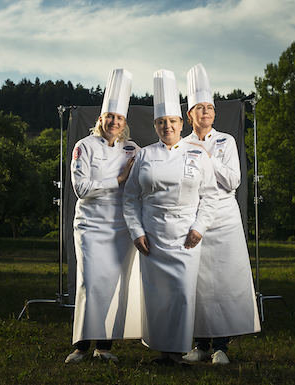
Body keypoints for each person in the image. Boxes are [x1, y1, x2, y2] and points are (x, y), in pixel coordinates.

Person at [123, 69, 218, 365]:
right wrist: (136, 232)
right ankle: (164, 352)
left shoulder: (198, 154)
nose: (168, 127)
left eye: (173, 122)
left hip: (185, 236)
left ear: (181, 123)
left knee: (182, 295)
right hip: (151, 236)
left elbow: (211, 195)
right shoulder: (144, 155)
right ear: (156, 125)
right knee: (157, 296)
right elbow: (130, 198)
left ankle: (177, 351)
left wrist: (199, 228)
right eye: (162, 123)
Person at [182, 63, 261, 365]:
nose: (206, 113)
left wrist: (205, 158)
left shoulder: (226, 141)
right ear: (189, 115)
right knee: (198, 281)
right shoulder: (181, 144)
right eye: (199, 108)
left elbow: (233, 180)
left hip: (224, 217)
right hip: (193, 216)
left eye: (210, 108)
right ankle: (200, 344)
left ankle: (222, 347)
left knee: (225, 280)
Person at [65, 68, 141, 364]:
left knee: (115, 284)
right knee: (90, 282)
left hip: (121, 228)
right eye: (109, 117)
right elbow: (82, 189)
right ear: (100, 119)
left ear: (124, 124)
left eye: (119, 118)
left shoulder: (132, 149)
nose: (113, 122)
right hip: (90, 226)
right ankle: (81, 345)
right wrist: (118, 181)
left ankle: (105, 346)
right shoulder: (82, 147)